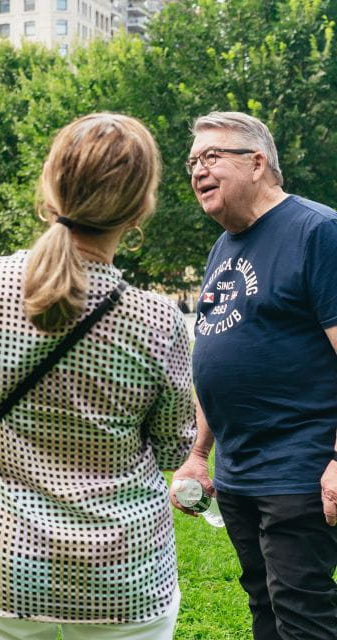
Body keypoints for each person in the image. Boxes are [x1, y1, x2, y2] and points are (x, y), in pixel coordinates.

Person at [0, 113, 195, 640]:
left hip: (1, 561)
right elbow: (173, 449)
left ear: (49, 191)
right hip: (123, 574)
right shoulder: (159, 322)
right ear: (141, 209)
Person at [172, 111, 337, 640]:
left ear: (258, 162)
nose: (198, 169)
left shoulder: (317, 231)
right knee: (264, 607)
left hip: (300, 466)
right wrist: (199, 455)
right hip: (240, 472)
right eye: (193, 161)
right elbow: (215, 352)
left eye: (212, 156)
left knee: (302, 614)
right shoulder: (224, 247)